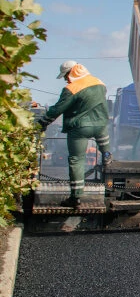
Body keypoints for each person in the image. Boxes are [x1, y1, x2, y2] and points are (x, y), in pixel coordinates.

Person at [35, 61, 112, 208]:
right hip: (101, 125)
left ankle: (76, 197)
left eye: (66, 76)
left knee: (76, 160)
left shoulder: (71, 88)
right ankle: (107, 155)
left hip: (80, 128)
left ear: (72, 73)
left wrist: (42, 123)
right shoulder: (100, 83)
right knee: (103, 138)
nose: (66, 79)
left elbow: (57, 109)